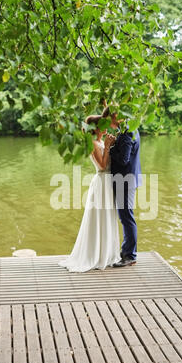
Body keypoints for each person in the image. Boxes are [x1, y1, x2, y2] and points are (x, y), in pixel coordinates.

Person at [58, 113, 120, 272]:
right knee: (99, 217)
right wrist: (107, 147)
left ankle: (107, 253)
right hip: (101, 182)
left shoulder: (99, 140)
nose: (106, 128)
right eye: (103, 125)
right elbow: (101, 165)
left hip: (108, 183)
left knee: (107, 217)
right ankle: (95, 255)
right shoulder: (92, 143)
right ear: (96, 128)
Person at [104, 107, 142, 268]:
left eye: (109, 121)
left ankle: (130, 255)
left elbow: (124, 159)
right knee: (126, 217)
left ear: (116, 118)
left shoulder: (126, 134)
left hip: (125, 180)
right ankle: (127, 251)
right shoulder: (130, 128)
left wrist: (110, 148)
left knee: (126, 217)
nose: (108, 124)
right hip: (128, 179)